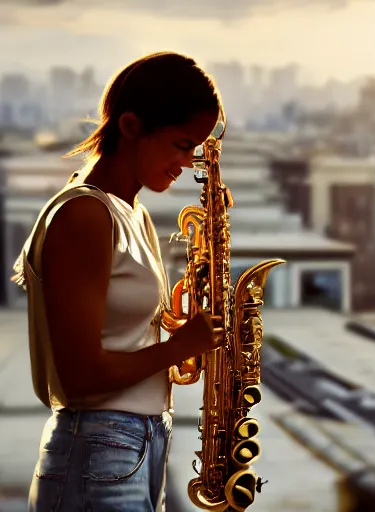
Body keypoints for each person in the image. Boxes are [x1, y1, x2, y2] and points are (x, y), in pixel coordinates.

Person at [11, 51, 222, 512]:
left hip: (136, 445)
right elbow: (80, 377)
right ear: (130, 126)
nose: (187, 163)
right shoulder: (85, 213)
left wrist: (169, 352)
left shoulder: (134, 214)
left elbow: (118, 344)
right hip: (98, 446)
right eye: (181, 144)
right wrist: (180, 346)